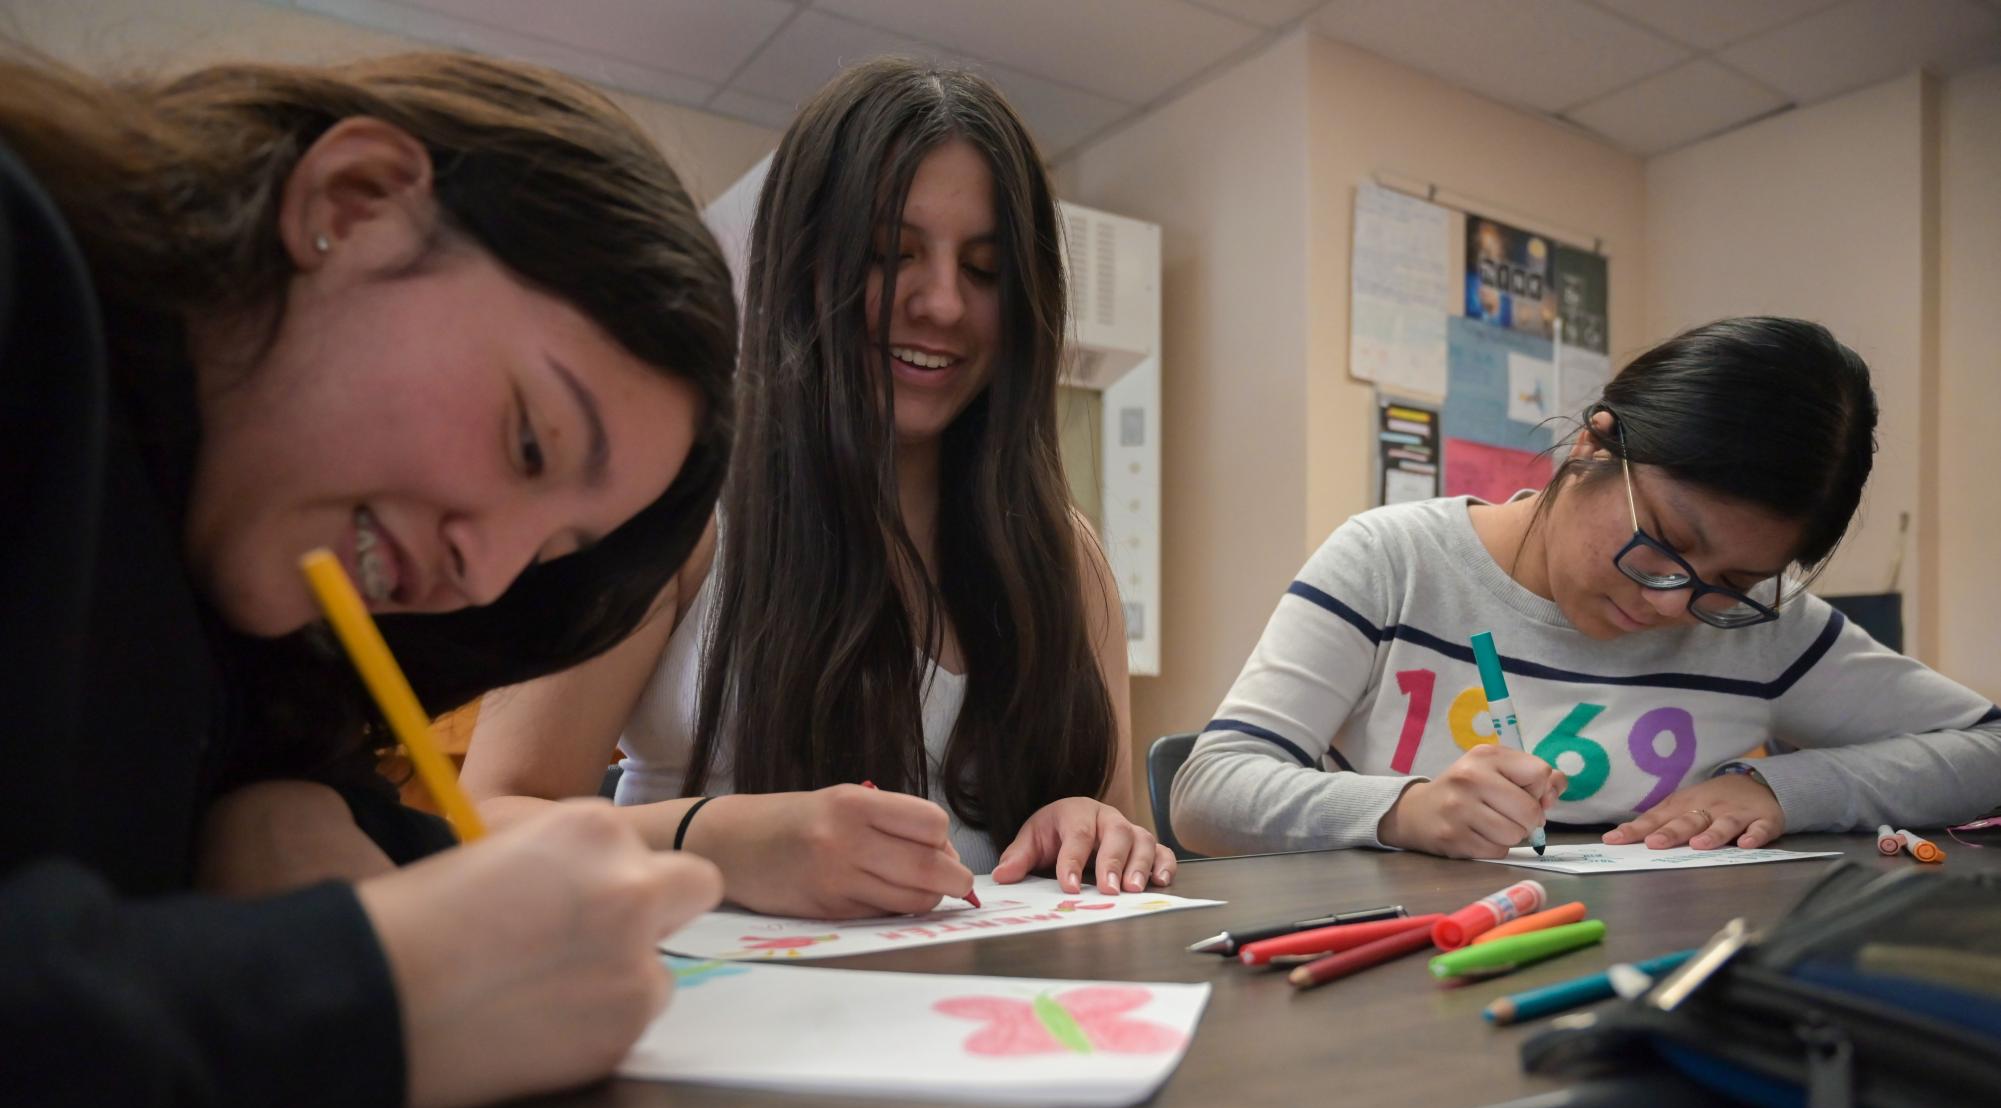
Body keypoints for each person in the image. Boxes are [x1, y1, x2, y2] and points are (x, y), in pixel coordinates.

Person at [1, 51, 738, 1108]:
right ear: (351, 199)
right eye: (527, 442)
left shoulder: (238, 625)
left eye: (553, 552)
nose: (486, 568)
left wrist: (283, 811)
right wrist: (376, 984)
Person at [462, 58, 1175, 916]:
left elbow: (1112, 830)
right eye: (887, 254)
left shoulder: (1067, 556)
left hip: (993, 1028)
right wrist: (717, 838)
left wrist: (1092, 826)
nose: (943, 304)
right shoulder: (674, 505)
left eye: (985, 271)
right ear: (802, 264)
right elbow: (487, 824)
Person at [1173, 317, 2001, 860]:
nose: (1677, 603)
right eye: (1669, 543)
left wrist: (1783, 788)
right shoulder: (1392, 563)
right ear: (1594, 446)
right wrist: (1402, 811)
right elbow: (1208, 793)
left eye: (1735, 582)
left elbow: (1989, 751)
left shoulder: (1760, 630)